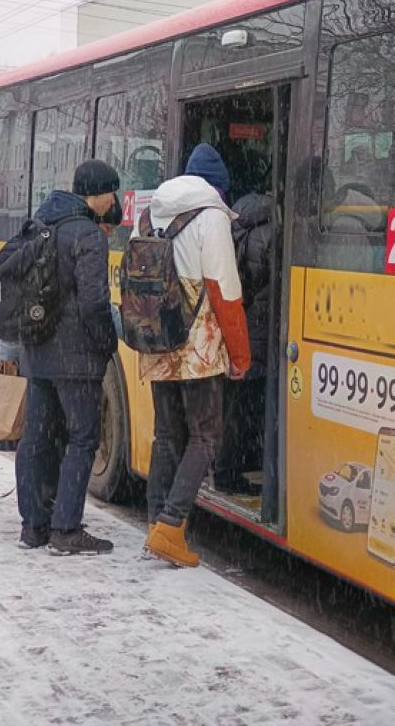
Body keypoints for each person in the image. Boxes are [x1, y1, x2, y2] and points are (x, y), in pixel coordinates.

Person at [141, 144, 251, 566]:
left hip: (157, 337)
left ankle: (156, 524)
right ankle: (171, 526)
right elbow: (224, 291)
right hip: (196, 345)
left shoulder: (150, 213)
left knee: (167, 435)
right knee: (206, 437)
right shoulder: (212, 217)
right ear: (217, 188)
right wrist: (240, 356)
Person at [15, 159, 120, 556]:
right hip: (76, 357)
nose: (114, 199)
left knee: (37, 438)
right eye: (112, 191)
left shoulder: (42, 223)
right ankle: (66, 530)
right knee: (83, 437)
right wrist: (107, 342)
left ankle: (33, 525)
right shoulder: (88, 235)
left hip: (38, 349)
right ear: (97, 193)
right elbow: (94, 304)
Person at [213, 186, 274, 495]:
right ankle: (229, 473)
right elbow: (265, 282)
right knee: (245, 409)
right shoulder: (272, 230)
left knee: (232, 405)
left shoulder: (234, 222)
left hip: (236, 327)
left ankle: (222, 467)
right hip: (260, 331)